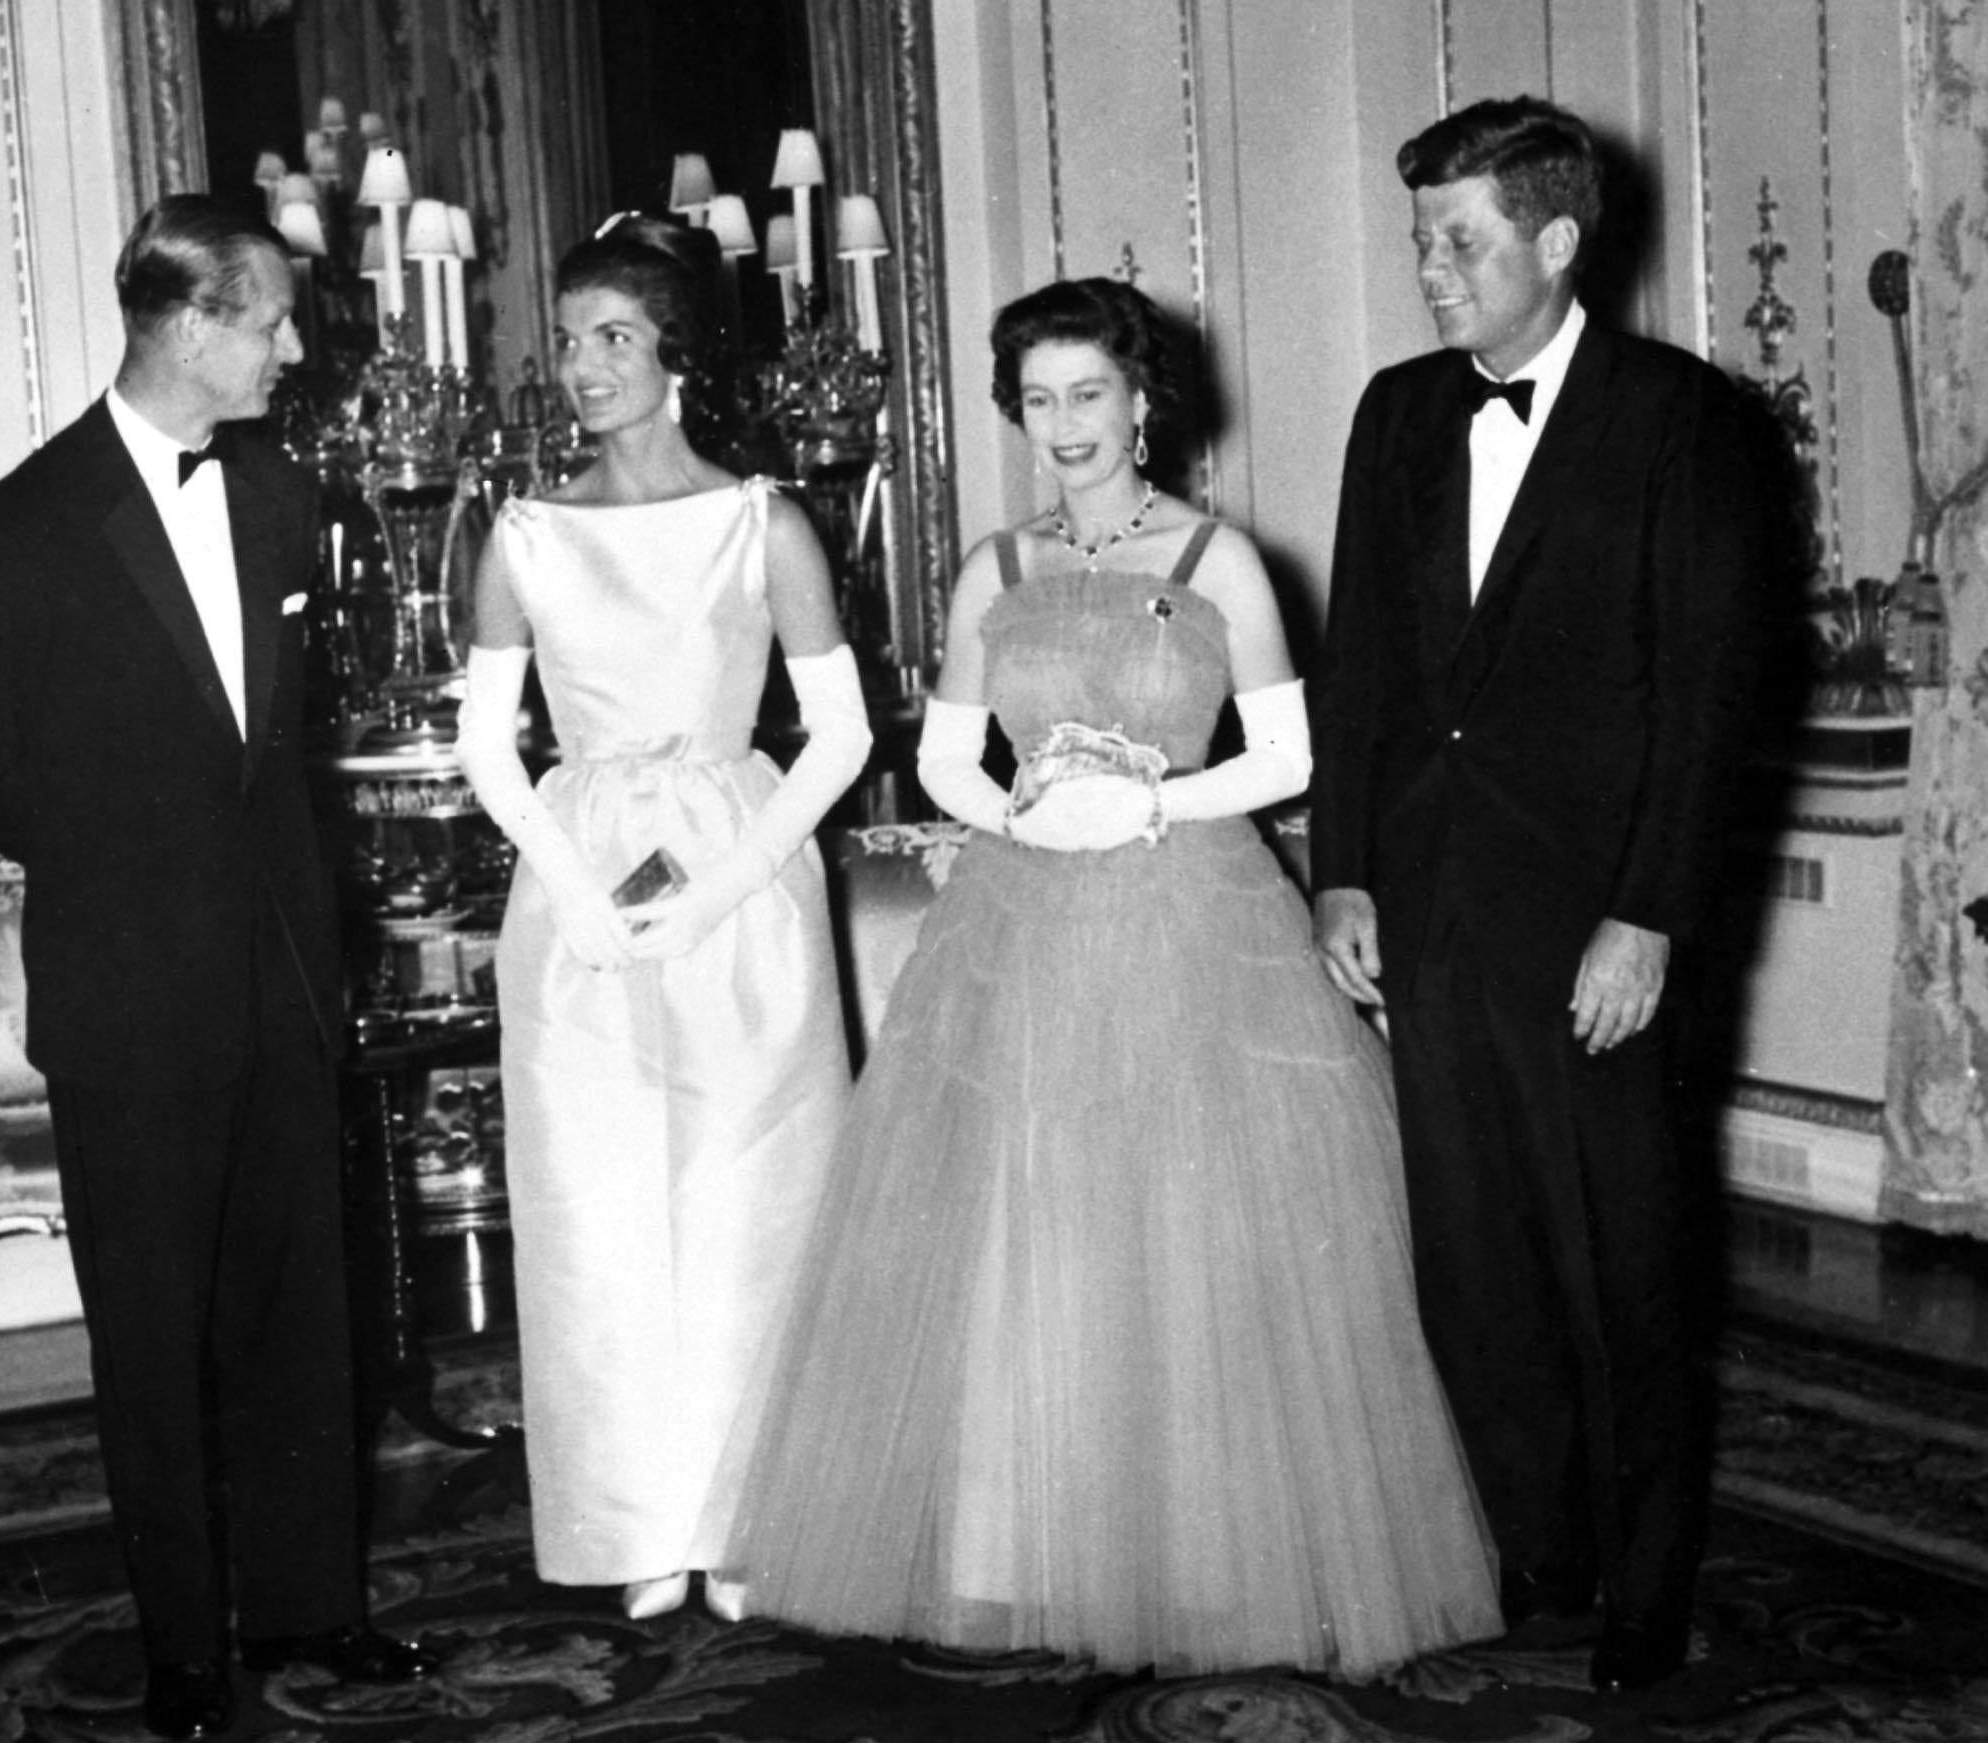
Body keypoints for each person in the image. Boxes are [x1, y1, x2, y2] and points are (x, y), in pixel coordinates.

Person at [713, 277, 1501, 1679]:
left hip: (1188, 919)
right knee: (1032, 1224)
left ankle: (1203, 1553)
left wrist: (1144, 806)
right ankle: (1024, 1547)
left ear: (1143, 404)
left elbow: (1287, 756)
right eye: (1036, 399)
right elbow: (948, 752)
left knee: (1182, 1227)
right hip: (1019, 926)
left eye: (1088, 394)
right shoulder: (993, 569)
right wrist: (1019, 814)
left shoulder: (1219, 563)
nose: (1062, 424)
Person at [0, 194, 434, 1740]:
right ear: (190, 323)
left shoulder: (280, 498)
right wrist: (139, 863)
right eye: (273, 318)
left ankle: (311, 1610)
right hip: (132, 994)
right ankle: (185, 1653)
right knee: (152, 1338)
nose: (295, 345)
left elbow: (273, 755)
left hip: (281, 979)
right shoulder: (21, 526)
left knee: (301, 1317)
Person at [1309, 97, 1778, 1694]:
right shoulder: (1391, 414)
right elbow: (1360, 662)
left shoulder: (1681, 421)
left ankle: (1645, 1586)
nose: (1429, 271)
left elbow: (1707, 699)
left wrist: (1644, 915)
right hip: (1425, 913)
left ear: (1555, 240)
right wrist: (1344, 870)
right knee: (1472, 1262)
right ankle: (1542, 1548)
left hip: (1594, 928)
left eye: (1461, 241)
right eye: (1420, 240)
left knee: (1620, 1268)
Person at [453, 214, 871, 1623]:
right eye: (567, 343)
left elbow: (836, 737)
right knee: (597, 1211)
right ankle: (637, 1521)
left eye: (613, 339)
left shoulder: (764, 524)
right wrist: (573, 890)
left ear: (674, 355)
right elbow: (486, 747)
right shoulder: (523, 533)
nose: (583, 367)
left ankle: (749, 1518)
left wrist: (722, 885)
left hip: (740, 885)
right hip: (574, 899)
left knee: (748, 1202)